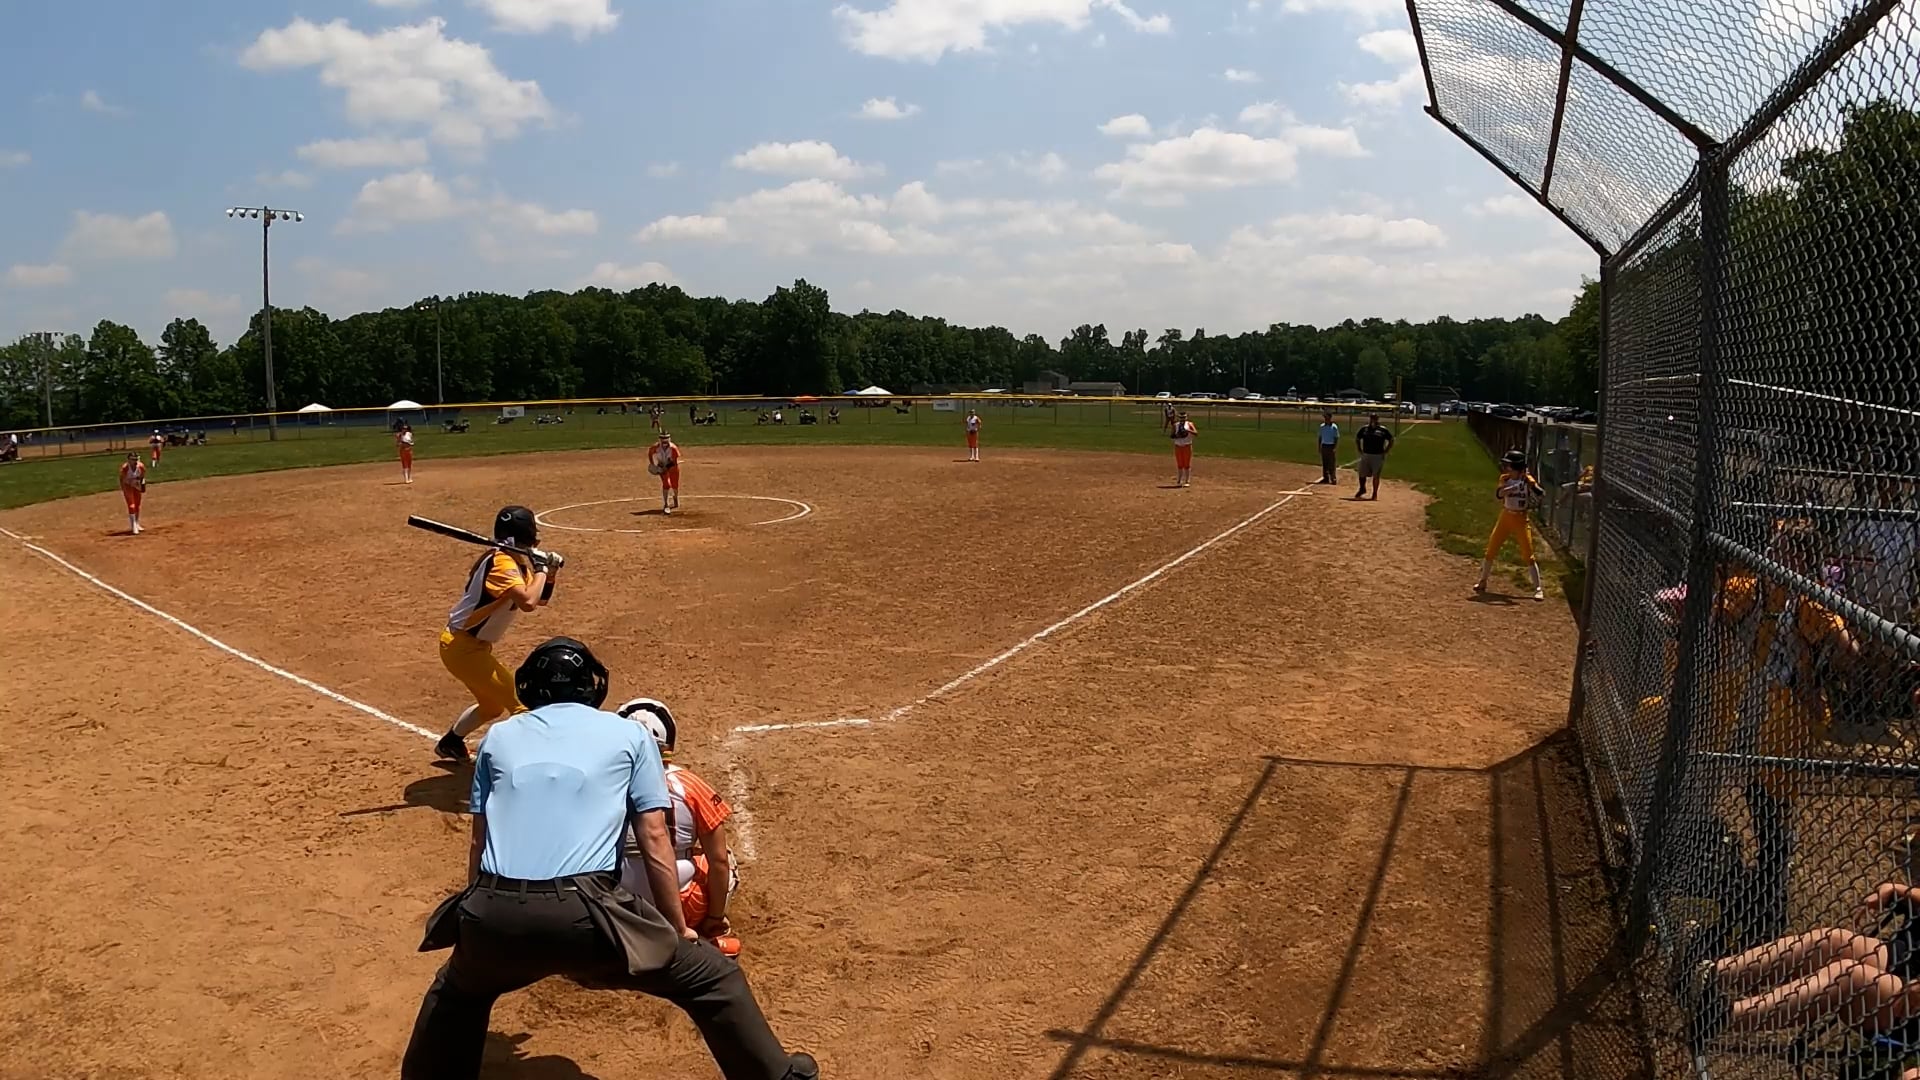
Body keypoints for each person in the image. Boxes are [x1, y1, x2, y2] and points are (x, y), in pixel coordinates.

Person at [401, 638, 818, 1080]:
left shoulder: (497, 737)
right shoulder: (630, 735)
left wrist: (474, 923)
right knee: (714, 980)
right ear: (591, 685)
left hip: (493, 910)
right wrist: (677, 929)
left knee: (456, 992)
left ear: (529, 686)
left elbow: (479, 843)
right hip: (586, 915)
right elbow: (654, 839)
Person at [1687, 881, 1920, 1044]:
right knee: (1832, 941)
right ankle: (1708, 974)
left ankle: (1720, 1017)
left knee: (1848, 976)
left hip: (1911, 1009)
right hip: (1906, 955)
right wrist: (1898, 889)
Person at [616, 697, 742, 957]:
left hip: (620, 909)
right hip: (682, 907)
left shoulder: (602, 784)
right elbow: (718, 861)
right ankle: (709, 934)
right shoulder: (691, 786)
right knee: (719, 860)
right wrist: (714, 918)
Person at [434, 507, 561, 763]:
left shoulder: (515, 564)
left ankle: (451, 743)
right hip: (463, 649)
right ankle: (524, 762)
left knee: (492, 706)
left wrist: (549, 574)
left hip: (470, 648)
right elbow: (527, 602)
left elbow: (540, 599)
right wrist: (541, 569)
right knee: (522, 706)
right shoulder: (502, 564)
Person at [1476, 449, 1546, 601]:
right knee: (1491, 549)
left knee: (1528, 554)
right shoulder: (1505, 478)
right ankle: (1483, 581)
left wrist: (1530, 485)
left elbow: (1540, 492)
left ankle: (1538, 589)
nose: (1506, 468)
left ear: (1517, 467)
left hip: (1521, 519)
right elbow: (1499, 494)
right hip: (1506, 517)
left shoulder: (1527, 479)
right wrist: (1514, 487)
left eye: (1509, 465)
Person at [1354, 413, 1394, 500]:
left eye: (1375, 418)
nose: (1373, 420)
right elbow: (1358, 438)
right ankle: (1362, 488)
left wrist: (1386, 451)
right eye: (1372, 418)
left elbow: (1391, 439)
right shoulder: (1365, 429)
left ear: (1377, 419)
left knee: (1376, 475)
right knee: (1362, 473)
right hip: (1366, 454)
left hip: (1377, 455)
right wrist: (1359, 448)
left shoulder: (1382, 430)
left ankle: (1374, 494)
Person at [649, 432, 682, 515]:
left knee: (675, 485)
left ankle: (675, 497)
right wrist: (654, 465)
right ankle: (666, 504)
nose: (664, 442)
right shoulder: (654, 448)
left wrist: (665, 468)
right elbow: (650, 455)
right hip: (662, 467)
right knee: (666, 484)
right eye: (663, 440)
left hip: (673, 467)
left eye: (666, 440)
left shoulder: (673, 448)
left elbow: (674, 462)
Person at [118, 452, 147, 535]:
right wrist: (125, 488)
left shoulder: (141, 467)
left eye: (136, 459)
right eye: (133, 460)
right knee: (131, 505)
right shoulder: (125, 468)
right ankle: (133, 525)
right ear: (129, 460)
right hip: (128, 486)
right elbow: (122, 480)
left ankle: (137, 523)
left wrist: (142, 484)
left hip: (137, 486)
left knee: (137, 505)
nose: (135, 461)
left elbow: (142, 477)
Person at [1170, 410, 1198, 488]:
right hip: (1178, 446)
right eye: (1181, 417)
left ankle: (1187, 480)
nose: (1182, 419)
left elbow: (1196, 433)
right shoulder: (1176, 425)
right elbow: (1171, 435)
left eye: (1184, 417)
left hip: (1187, 445)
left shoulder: (1189, 424)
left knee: (1187, 464)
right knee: (1179, 464)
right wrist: (1177, 435)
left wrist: (1188, 430)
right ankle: (1179, 480)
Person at [1317, 412, 1340, 485]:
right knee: (1325, 463)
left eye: (1326, 417)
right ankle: (1325, 478)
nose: (1325, 418)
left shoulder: (1334, 427)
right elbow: (1320, 437)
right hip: (1324, 445)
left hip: (1331, 446)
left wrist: (1335, 447)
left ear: (1330, 417)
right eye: (1325, 417)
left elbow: (1336, 438)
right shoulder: (1322, 426)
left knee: (1331, 463)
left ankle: (1333, 478)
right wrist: (1319, 446)